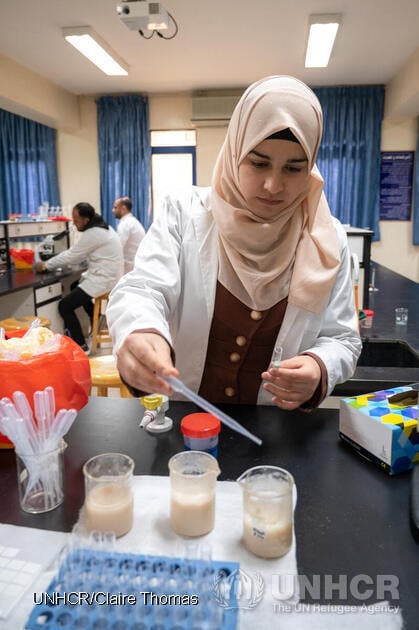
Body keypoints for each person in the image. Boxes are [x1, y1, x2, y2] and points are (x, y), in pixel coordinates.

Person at [107, 76, 362, 410]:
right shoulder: (184, 213)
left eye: (294, 168)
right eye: (258, 163)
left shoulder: (326, 240)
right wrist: (142, 330)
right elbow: (143, 289)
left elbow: (343, 338)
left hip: (276, 434)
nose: (273, 185)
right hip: (188, 425)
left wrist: (319, 365)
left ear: (311, 169)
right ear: (234, 153)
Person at [36, 202, 123, 352]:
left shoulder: (94, 233)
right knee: (74, 286)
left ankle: (81, 346)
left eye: (76, 220)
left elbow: (71, 256)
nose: (74, 224)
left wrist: (46, 265)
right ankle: (93, 323)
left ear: (86, 220)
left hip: (104, 279)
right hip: (109, 275)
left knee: (64, 306)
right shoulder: (103, 228)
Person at [112, 197, 146, 273]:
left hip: (129, 268)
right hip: (136, 265)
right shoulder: (133, 221)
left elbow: (117, 248)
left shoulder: (125, 224)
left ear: (123, 209)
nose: (113, 210)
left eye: (115, 207)